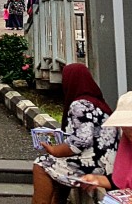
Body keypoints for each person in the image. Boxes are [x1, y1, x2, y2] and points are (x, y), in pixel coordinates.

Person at [32, 64, 118, 204]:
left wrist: (54, 150)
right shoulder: (98, 103)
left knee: (41, 164)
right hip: (108, 163)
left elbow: (80, 142)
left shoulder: (79, 104)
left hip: (94, 165)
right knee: (59, 167)